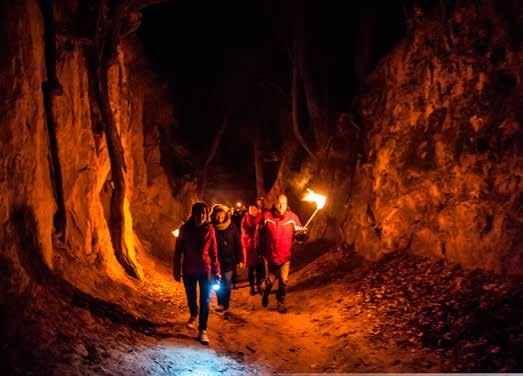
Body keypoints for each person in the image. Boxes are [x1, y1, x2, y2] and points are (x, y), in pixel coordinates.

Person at [173, 202, 221, 345]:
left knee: (205, 300)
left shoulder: (210, 230)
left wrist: (217, 272)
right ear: (193, 214)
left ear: (207, 215)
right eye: (199, 213)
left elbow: (213, 252)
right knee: (191, 298)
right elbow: (178, 251)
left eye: (204, 214)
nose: (202, 216)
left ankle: (203, 330)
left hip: (205, 270)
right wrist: (176, 270)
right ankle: (194, 312)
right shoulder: (185, 229)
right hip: (189, 270)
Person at [256, 194, 305, 313]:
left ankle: (281, 302)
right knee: (270, 281)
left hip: (285, 256)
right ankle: (265, 293)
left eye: (283, 203)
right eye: (278, 203)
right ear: (274, 203)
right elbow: (258, 234)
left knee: (284, 280)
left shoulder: (293, 217)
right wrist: (258, 249)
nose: (280, 206)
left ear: (287, 204)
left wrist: (301, 234)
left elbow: (299, 237)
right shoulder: (266, 216)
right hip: (270, 255)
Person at [211, 204, 243, 311]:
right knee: (216, 283)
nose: (220, 216)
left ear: (225, 215)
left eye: (222, 214)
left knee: (227, 283)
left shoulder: (232, 226)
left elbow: (238, 243)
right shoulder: (210, 227)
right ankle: (220, 302)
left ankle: (226, 303)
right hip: (214, 261)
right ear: (214, 215)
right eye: (217, 214)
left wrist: (240, 259)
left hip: (229, 261)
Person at [241, 204, 265, 296]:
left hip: (259, 246)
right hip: (249, 246)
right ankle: (251, 287)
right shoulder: (245, 219)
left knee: (259, 268)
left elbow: (264, 229)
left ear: (257, 209)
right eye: (251, 209)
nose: (253, 211)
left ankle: (259, 286)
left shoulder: (261, 217)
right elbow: (244, 231)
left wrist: (259, 233)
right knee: (251, 269)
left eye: (254, 209)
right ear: (249, 210)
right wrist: (254, 233)